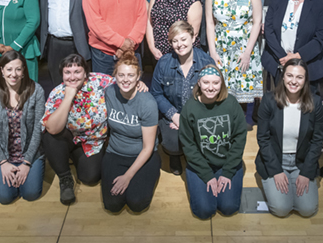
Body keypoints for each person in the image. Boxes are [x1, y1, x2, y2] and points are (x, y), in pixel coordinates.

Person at [41, 54, 113, 205]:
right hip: (67, 137)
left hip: (93, 141)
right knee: (49, 135)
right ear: (62, 74)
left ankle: (74, 156)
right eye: (67, 72)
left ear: (86, 73)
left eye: (77, 72)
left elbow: (125, 82)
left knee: (90, 178)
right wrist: (68, 97)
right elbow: (52, 128)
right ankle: (65, 177)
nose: (72, 77)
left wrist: (139, 85)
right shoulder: (57, 93)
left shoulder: (100, 82)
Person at [256, 59, 323, 217]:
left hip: (301, 161)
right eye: (290, 76)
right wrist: (276, 171)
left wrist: (306, 172)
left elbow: (317, 141)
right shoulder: (269, 100)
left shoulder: (316, 103)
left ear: (305, 80)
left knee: (307, 210)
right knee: (281, 209)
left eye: (299, 77)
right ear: (283, 77)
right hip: (275, 159)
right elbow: (263, 139)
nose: (294, 81)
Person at [180, 65, 248, 219]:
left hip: (227, 162)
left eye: (215, 83)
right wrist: (207, 175)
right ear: (199, 83)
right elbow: (188, 145)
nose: (210, 88)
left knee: (229, 208)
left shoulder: (231, 103)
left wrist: (228, 172)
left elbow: (239, 139)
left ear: (221, 84)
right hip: (201, 163)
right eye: (206, 83)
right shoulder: (190, 108)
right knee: (204, 211)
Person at [0, 50, 47, 204]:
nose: (14, 74)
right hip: (3, 155)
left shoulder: (36, 90)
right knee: (5, 198)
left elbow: (38, 130)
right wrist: (3, 162)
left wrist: (27, 163)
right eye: (9, 69)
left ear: (24, 71)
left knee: (31, 194)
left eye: (18, 69)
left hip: (29, 153)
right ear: (2, 70)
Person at [151, 21, 214, 175]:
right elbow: (156, 93)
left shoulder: (207, 63)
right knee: (172, 143)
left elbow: (213, 95)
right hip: (173, 115)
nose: (179, 44)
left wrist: (189, 120)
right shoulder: (164, 63)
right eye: (175, 41)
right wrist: (174, 115)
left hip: (198, 115)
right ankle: (175, 154)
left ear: (193, 38)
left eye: (183, 39)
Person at [101, 51, 160, 213]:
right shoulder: (109, 92)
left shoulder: (147, 103)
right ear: (115, 76)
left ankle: (151, 174)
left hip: (142, 154)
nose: (126, 79)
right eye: (121, 75)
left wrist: (128, 176)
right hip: (115, 152)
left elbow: (148, 147)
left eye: (131, 75)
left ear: (138, 76)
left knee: (137, 203)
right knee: (112, 205)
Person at [206, 0, 264, 109]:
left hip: (244, 50)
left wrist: (248, 53)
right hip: (221, 50)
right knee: (219, 96)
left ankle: (238, 132)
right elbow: (210, 23)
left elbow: (257, 21)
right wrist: (212, 52)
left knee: (241, 101)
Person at [263, 0, 323, 94]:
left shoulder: (319, 3)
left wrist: (297, 56)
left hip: (308, 66)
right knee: (279, 107)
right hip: (279, 63)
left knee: (305, 109)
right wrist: (283, 57)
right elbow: (269, 30)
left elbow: (322, 37)